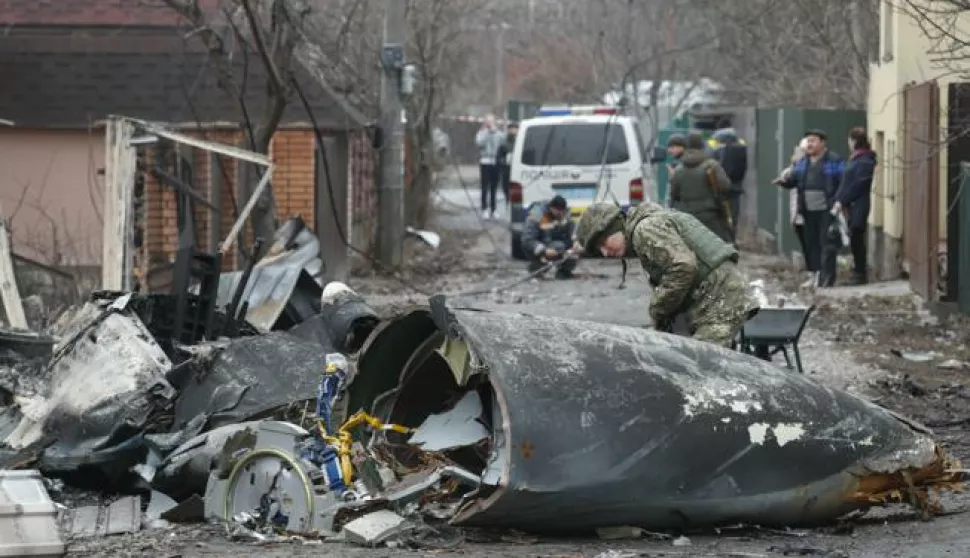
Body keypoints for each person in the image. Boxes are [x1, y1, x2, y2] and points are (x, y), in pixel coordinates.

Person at [574, 202, 758, 348]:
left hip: (721, 302)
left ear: (614, 228)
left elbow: (683, 266)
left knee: (702, 370)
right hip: (716, 299)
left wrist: (658, 306)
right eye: (599, 250)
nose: (605, 253)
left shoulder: (645, 230)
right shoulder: (648, 225)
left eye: (603, 243)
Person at [774, 129, 844, 288]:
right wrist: (784, 182)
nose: (809, 144)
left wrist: (839, 202)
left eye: (813, 140)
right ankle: (814, 275)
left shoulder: (834, 160)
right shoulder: (803, 162)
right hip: (806, 210)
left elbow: (842, 182)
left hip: (827, 210)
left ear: (822, 143)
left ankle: (826, 278)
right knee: (810, 244)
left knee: (827, 244)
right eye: (808, 141)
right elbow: (794, 180)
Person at [668, 133, 734, 243]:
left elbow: (673, 195)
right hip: (710, 216)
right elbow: (726, 186)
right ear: (702, 146)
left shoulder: (678, 170)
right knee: (720, 245)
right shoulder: (712, 165)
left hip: (687, 217)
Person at [832, 127, 877, 285]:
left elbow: (857, 184)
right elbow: (845, 183)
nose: (849, 144)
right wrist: (839, 199)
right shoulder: (856, 159)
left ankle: (860, 272)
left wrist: (842, 200)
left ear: (855, 141)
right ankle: (857, 271)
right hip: (851, 204)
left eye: (850, 140)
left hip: (858, 204)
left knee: (857, 237)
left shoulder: (865, 160)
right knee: (854, 237)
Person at [775, 139, 812, 286]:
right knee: (805, 244)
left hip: (807, 211)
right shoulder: (796, 167)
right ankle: (811, 272)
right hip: (797, 213)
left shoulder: (809, 168)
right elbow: (785, 176)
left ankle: (815, 273)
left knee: (811, 245)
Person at [521, 195, 578, 279]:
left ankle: (564, 272)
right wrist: (543, 250)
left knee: (573, 251)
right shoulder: (537, 215)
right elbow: (527, 239)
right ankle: (536, 268)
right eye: (558, 211)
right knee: (558, 248)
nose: (561, 214)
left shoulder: (565, 214)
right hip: (539, 245)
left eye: (562, 211)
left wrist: (576, 241)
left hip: (555, 242)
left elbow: (572, 229)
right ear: (551, 208)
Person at [710, 119, 749, 239]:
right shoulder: (741, 142)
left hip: (719, 186)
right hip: (736, 185)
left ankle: (721, 239)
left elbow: (710, 163)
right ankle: (732, 239)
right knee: (733, 215)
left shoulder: (713, 142)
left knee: (718, 214)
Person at [475, 115, 505, 220]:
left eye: (491, 122)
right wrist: (487, 133)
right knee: (485, 187)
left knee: (494, 187)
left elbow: (503, 142)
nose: (489, 124)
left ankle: (494, 209)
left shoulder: (498, 134)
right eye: (488, 122)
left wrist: (495, 131)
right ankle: (484, 209)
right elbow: (479, 143)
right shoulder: (481, 133)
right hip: (485, 161)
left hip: (495, 162)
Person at [496, 121, 519, 205]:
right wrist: (503, 161)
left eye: (515, 128)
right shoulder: (504, 143)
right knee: (506, 189)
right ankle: (508, 203)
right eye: (511, 128)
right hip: (507, 170)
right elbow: (498, 157)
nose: (513, 130)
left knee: (517, 191)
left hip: (518, 170)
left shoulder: (521, 142)